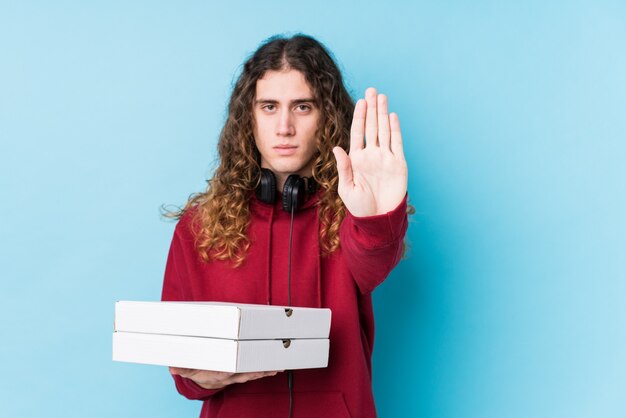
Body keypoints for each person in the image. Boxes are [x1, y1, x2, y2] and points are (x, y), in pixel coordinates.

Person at [161, 33, 409, 418]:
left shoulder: (351, 214)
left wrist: (375, 216)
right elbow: (182, 368)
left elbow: (375, 264)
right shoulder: (199, 226)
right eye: (269, 107)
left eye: (303, 107)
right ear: (249, 117)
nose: (284, 127)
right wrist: (202, 378)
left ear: (326, 116)